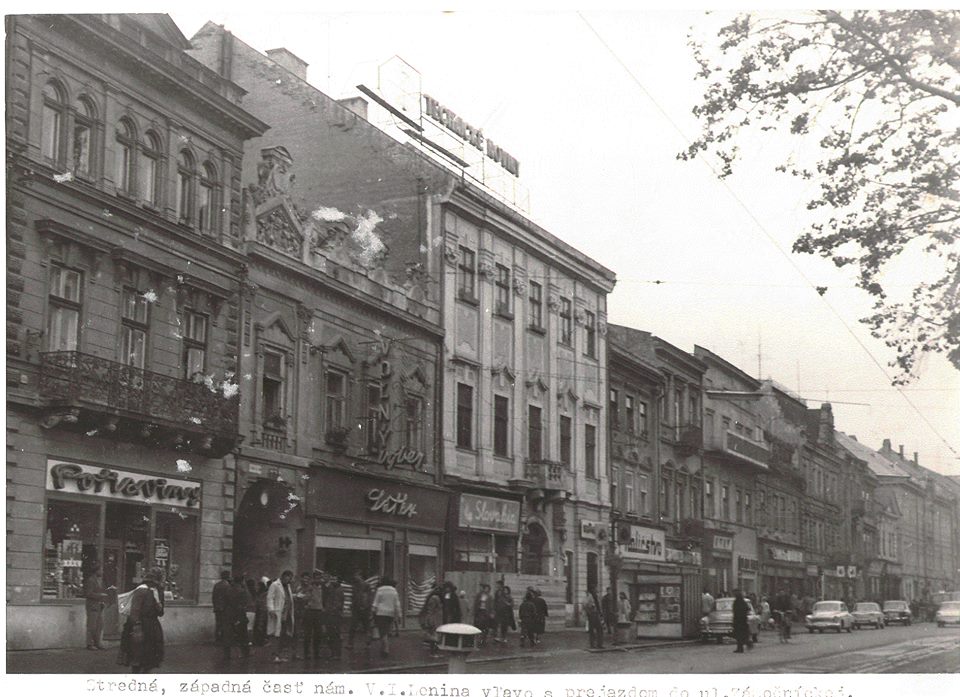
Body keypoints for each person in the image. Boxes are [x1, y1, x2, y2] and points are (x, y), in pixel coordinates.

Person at [118, 567, 165, 673]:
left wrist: (157, 601)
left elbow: (136, 610)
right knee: (145, 657)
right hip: (148, 626)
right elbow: (160, 613)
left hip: (142, 625)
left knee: (139, 656)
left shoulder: (146, 590)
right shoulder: (149, 590)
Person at [266, 570, 295, 663]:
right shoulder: (275, 585)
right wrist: (271, 609)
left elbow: (287, 597)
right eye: (288, 577)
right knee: (275, 635)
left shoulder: (288, 586)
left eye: (291, 578)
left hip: (287, 614)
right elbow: (270, 598)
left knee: (284, 635)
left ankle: (280, 655)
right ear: (283, 576)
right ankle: (274, 655)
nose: (290, 580)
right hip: (277, 613)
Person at [221, 576, 251, 661]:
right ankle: (245, 652)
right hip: (239, 615)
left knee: (227, 635)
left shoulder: (227, 590)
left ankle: (227, 654)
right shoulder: (242, 591)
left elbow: (224, 602)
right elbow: (245, 603)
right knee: (243, 635)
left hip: (228, 614)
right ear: (242, 581)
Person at [371, 577, 401, 658]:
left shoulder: (380, 590)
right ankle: (383, 648)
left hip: (380, 613)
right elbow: (397, 604)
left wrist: (373, 611)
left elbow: (375, 603)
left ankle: (386, 648)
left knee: (382, 632)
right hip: (390, 613)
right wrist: (399, 615)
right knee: (386, 631)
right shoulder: (394, 591)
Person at [84, 560, 109, 650]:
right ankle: (89, 644)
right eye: (100, 570)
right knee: (92, 625)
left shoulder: (98, 580)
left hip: (98, 605)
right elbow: (88, 593)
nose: (102, 572)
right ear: (96, 571)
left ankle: (97, 643)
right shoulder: (91, 580)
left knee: (99, 625)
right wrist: (100, 595)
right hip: (92, 606)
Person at [302, 571, 325, 659]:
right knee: (308, 633)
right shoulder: (309, 587)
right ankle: (307, 653)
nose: (318, 580)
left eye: (319, 578)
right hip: (310, 611)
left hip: (319, 612)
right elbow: (305, 597)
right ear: (314, 578)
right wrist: (308, 602)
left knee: (318, 633)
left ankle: (316, 652)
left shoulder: (322, 588)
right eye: (316, 578)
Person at [321, 574, 345, 659]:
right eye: (332, 579)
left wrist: (331, 610)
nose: (333, 580)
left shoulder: (339, 590)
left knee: (335, 635)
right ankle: (333, 652)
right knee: (330, 634)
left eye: (335, 579)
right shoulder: (331, 589)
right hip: (329, 614)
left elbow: (338, 604)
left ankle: (336, 654)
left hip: (335, 615)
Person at [347, 570, 372, 649]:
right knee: (359, 626)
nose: (355, 577)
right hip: (360, 609)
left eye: (356, 575)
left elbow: (367, 597)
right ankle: (352, 643)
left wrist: (365, 606)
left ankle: (366, 643)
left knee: (363, 627)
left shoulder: (363, 586)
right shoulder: (356, 585)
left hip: (361, 609)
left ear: (360, 576)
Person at [419, 584, 443, 657]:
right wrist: (430, 620)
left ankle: (434, 652)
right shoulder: (435, 598)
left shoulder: (432, 597)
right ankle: (433, 652)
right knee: (434, 636)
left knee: (434, 635)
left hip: (434, 618)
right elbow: (432, 609)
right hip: (434, 619)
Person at [212, 570, 231, 645]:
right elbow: (229, 598)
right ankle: (223, 640)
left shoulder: (216, 585)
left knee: (218, 624)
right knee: (225, 624)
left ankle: (217, 639)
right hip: (225, 608)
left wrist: (215, 605)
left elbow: (213, 597)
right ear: (228, 576)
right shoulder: (228, 586)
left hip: (217, 608)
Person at [250, 578, 269, 646]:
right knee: (259, 626)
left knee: (259, 626)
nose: (256, 587)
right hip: (261, 610)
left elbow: (260, 602)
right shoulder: (262, 593)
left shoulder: (262, 594)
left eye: (258, 586)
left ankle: (258, 641)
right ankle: (259, 641)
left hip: (261, 611)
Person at [732, 588, 751, 653]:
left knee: (739, 635)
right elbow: (747, 609)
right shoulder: (742, 601)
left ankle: (741, 647)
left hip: (739, 620)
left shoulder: (737, 602)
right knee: (741, 634)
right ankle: (743, 646)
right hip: (742, 620)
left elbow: (736, 611)